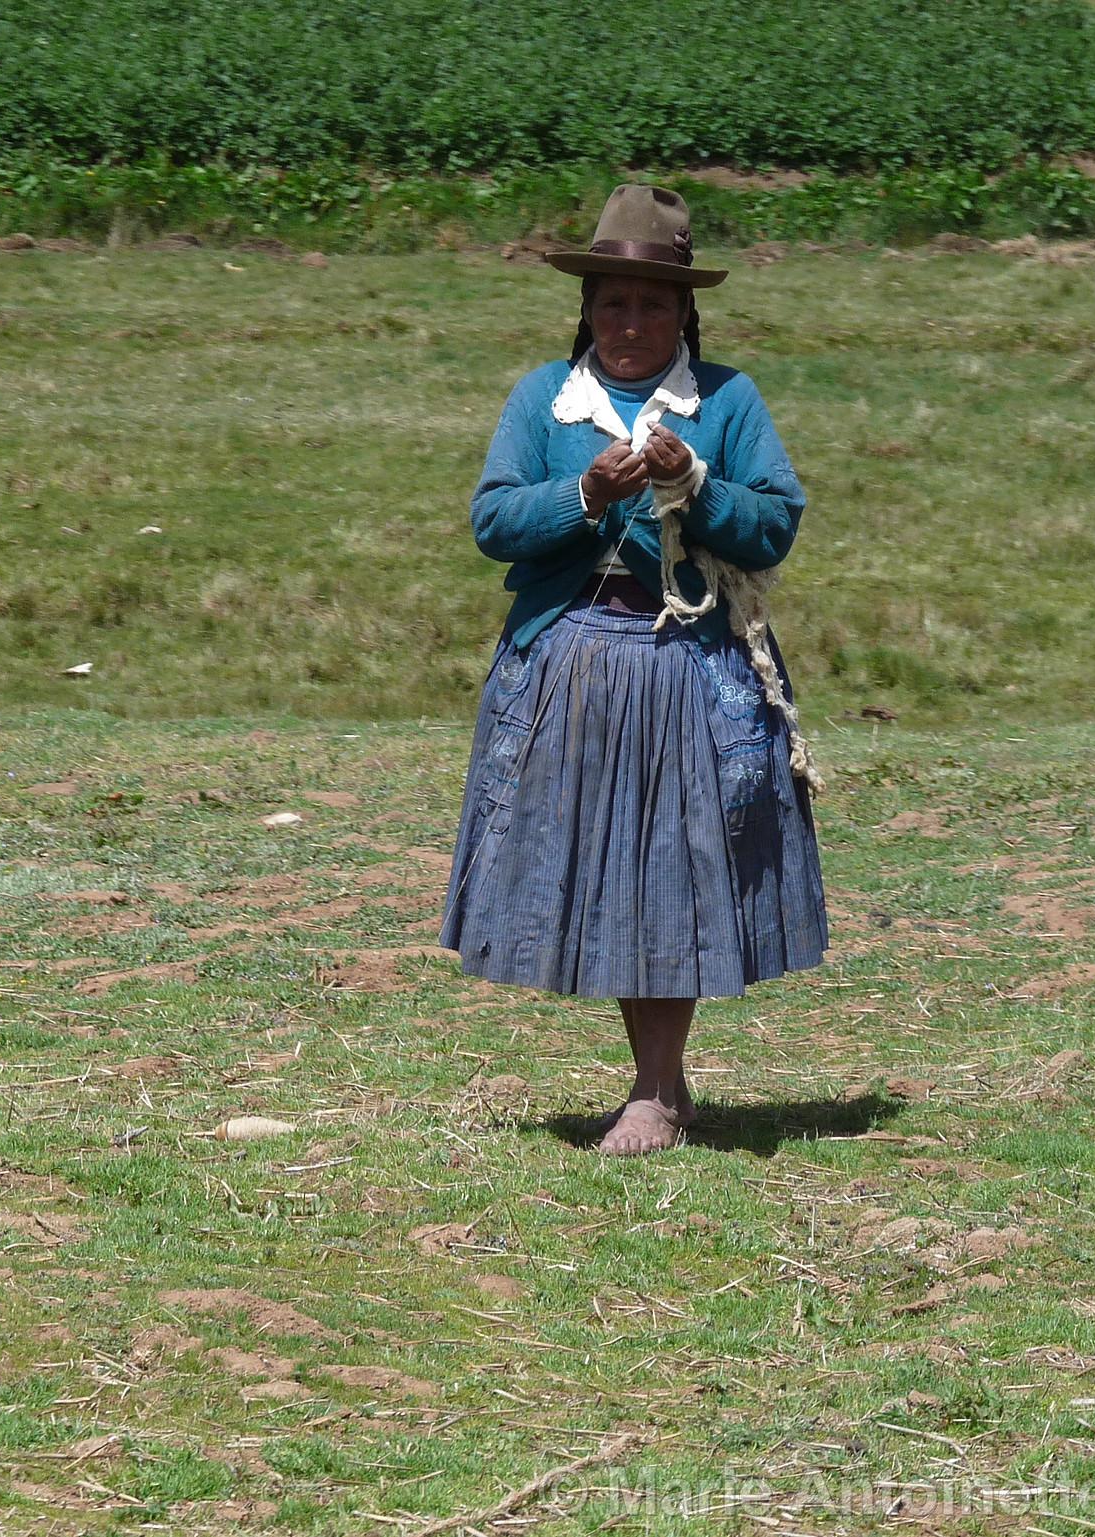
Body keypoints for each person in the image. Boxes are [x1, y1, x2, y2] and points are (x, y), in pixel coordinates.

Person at [439, 183, 829, 1157]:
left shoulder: (725, 401)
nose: (629, 321)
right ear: (585, 309)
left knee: (671, 870)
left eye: (650, 305)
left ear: (682, 314)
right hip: (570, 659)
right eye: (611, 302)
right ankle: (658, 1081)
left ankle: (654, 1092)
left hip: (688, 664)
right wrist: (581, 492)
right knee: (609, 869)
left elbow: (773, 523)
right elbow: (492, 523)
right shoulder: (543, 399)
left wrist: (692, 486)